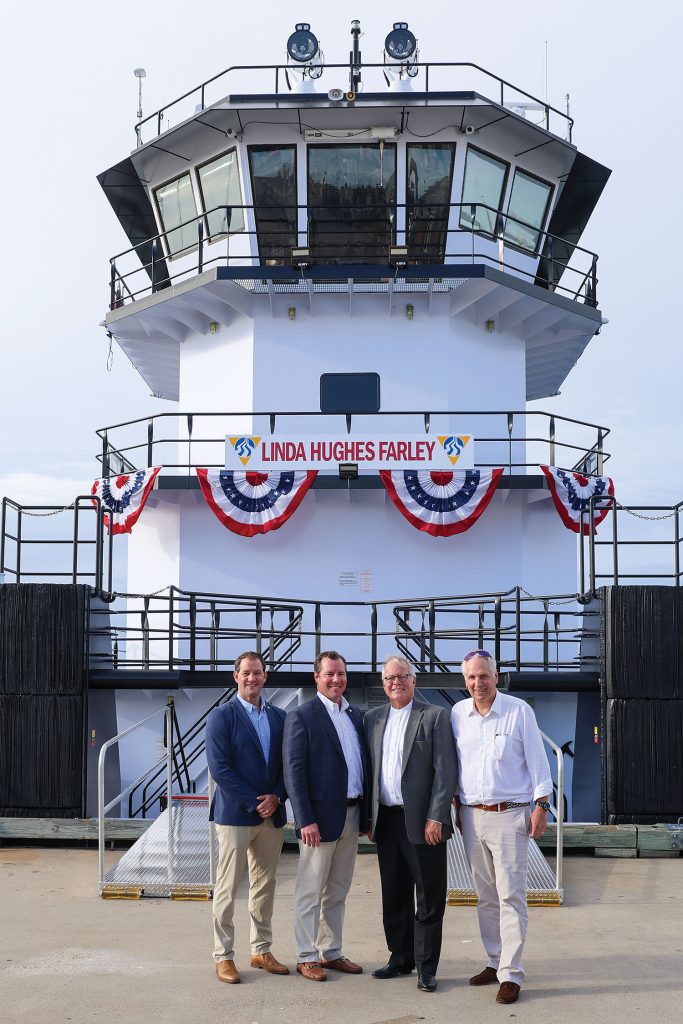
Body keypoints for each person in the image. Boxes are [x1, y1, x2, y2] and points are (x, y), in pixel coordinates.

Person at [451, 650, 553, 1005]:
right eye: (471, 678)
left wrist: (542, 806)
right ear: (464, 681)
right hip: (471, 814)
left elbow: (538, 763)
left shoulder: (518, 711)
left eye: (483, 676)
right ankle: (494, 962)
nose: (477, 683)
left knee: (511, 895)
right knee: (486, 896)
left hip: (510, 814)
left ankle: (511, 974)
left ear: (496, 676)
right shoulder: (457, 714)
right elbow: (455, 762)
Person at [364, 655, 457, 993]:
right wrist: (368, 819)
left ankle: (426, 967)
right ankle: (400, 957)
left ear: (413, 680)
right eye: (390, 678)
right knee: (394, 892)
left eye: (402, 676)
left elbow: (446, 773)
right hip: (387, 820)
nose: (396, 683)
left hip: (422, 821)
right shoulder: (373, 719)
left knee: (429, 897)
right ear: (383, 683)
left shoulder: (434, 716)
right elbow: (368, 772)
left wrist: (437, 816)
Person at [283, 650, 370, 981]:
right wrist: (305, 818)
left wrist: (366, 818)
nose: (337, 680)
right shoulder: (302, 717)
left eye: (341, 674)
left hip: (351, 814)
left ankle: (331, 951)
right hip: (318, 820)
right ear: (316, 677)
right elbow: (294, 771)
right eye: (330, 674)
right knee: (310, 890)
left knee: (338, 889)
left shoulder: (355, 716)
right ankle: (306, 955)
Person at [206, 651, 288, 984]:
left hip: (272, 816)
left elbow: (288, 763)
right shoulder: (221, 717)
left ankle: (261, 949)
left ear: (265, 676)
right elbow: (220, 769)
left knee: (264, 886)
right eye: (246, 673)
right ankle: (223, 955)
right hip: (235, 815)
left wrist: (278, 796)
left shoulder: (280, 717)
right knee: (227, 887)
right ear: (235, 676)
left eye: (257, 673)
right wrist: (256, 803)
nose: (252, 679)